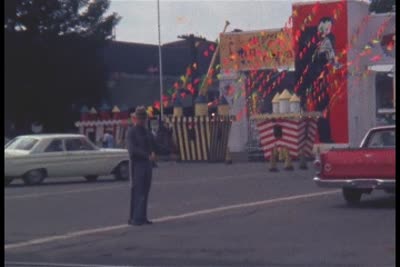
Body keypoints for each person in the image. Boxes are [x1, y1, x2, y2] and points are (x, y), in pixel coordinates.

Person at [126, 106, 157, 226]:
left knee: (145, 191)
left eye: (144, 118)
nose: (142, 121)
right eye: (140, 118)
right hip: (137, 165)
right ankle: (135, 218)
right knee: (137, 191)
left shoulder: (147, 132)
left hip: (147, 165)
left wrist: (169, 151)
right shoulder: (131, 132)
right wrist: (147, 156)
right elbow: (132, 150)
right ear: (135, 119)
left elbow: (155, 146)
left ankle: (142, 217)